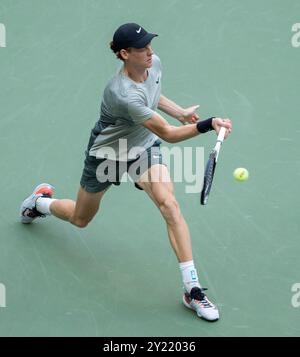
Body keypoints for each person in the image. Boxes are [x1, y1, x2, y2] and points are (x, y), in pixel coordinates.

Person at [20, 23, 232, 322]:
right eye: (142, 48)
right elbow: (170, 135)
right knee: (81, 219)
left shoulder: (152, 64)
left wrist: (181, 111)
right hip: (108, 152)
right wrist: (207, 124)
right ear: (124, 54)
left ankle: (192, 289)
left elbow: (153, 93)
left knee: (169, 205)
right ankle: (41, 202)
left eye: (150, 45)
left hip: (143, 147)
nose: (150, 52)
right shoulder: (121, 94)